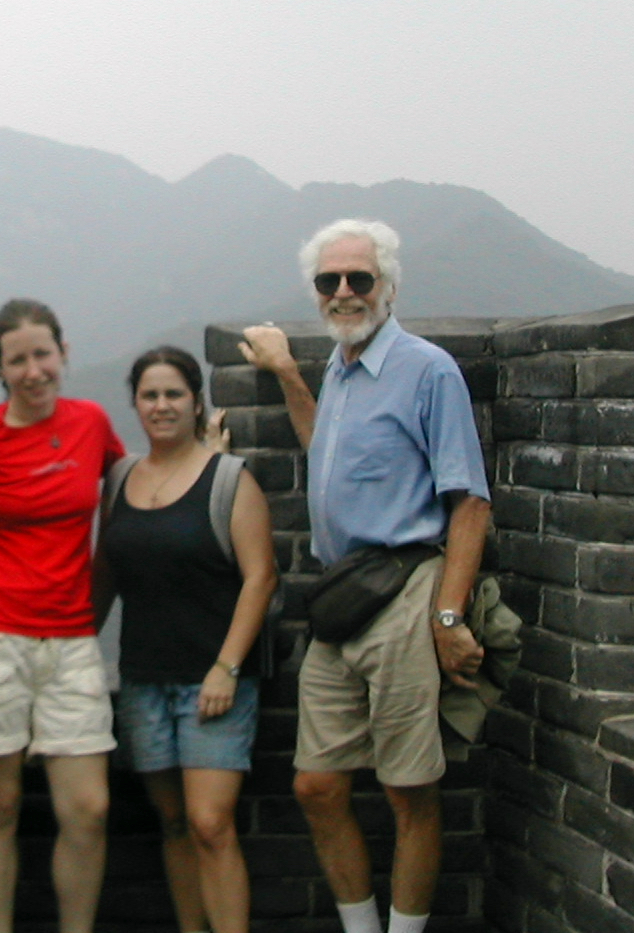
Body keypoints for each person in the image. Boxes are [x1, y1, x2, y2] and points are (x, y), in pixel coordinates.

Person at [239, 220, 491, 933]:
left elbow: (469, 500)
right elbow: (327, 450)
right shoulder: (341, 366)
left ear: (387, 286)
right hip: (342, 596)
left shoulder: (426, 368)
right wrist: (290, 373)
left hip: (408, 589)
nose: (345, 293)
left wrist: (447, 617)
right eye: (329, 281)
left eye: (359, 279)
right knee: (317, 785)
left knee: (409, 789)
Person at [0, 298, 125, 933]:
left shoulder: (92, 423)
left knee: (88, 808)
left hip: (70, 637)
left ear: (64, 354)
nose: (34, 370)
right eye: (18, 360)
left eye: (43, 354)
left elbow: (132, 494)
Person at [94, 346, 277, 933]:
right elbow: (105, 575)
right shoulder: (120, 478)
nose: (162, 405)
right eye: (150, 395)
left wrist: (225, 667)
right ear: (136, 405)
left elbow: (261, 577)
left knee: (209, 822)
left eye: (174, 393)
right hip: (144, 678)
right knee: (173, 823)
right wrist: (74, 651)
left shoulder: (229, 479)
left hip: (214, 682)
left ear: (196, 401)